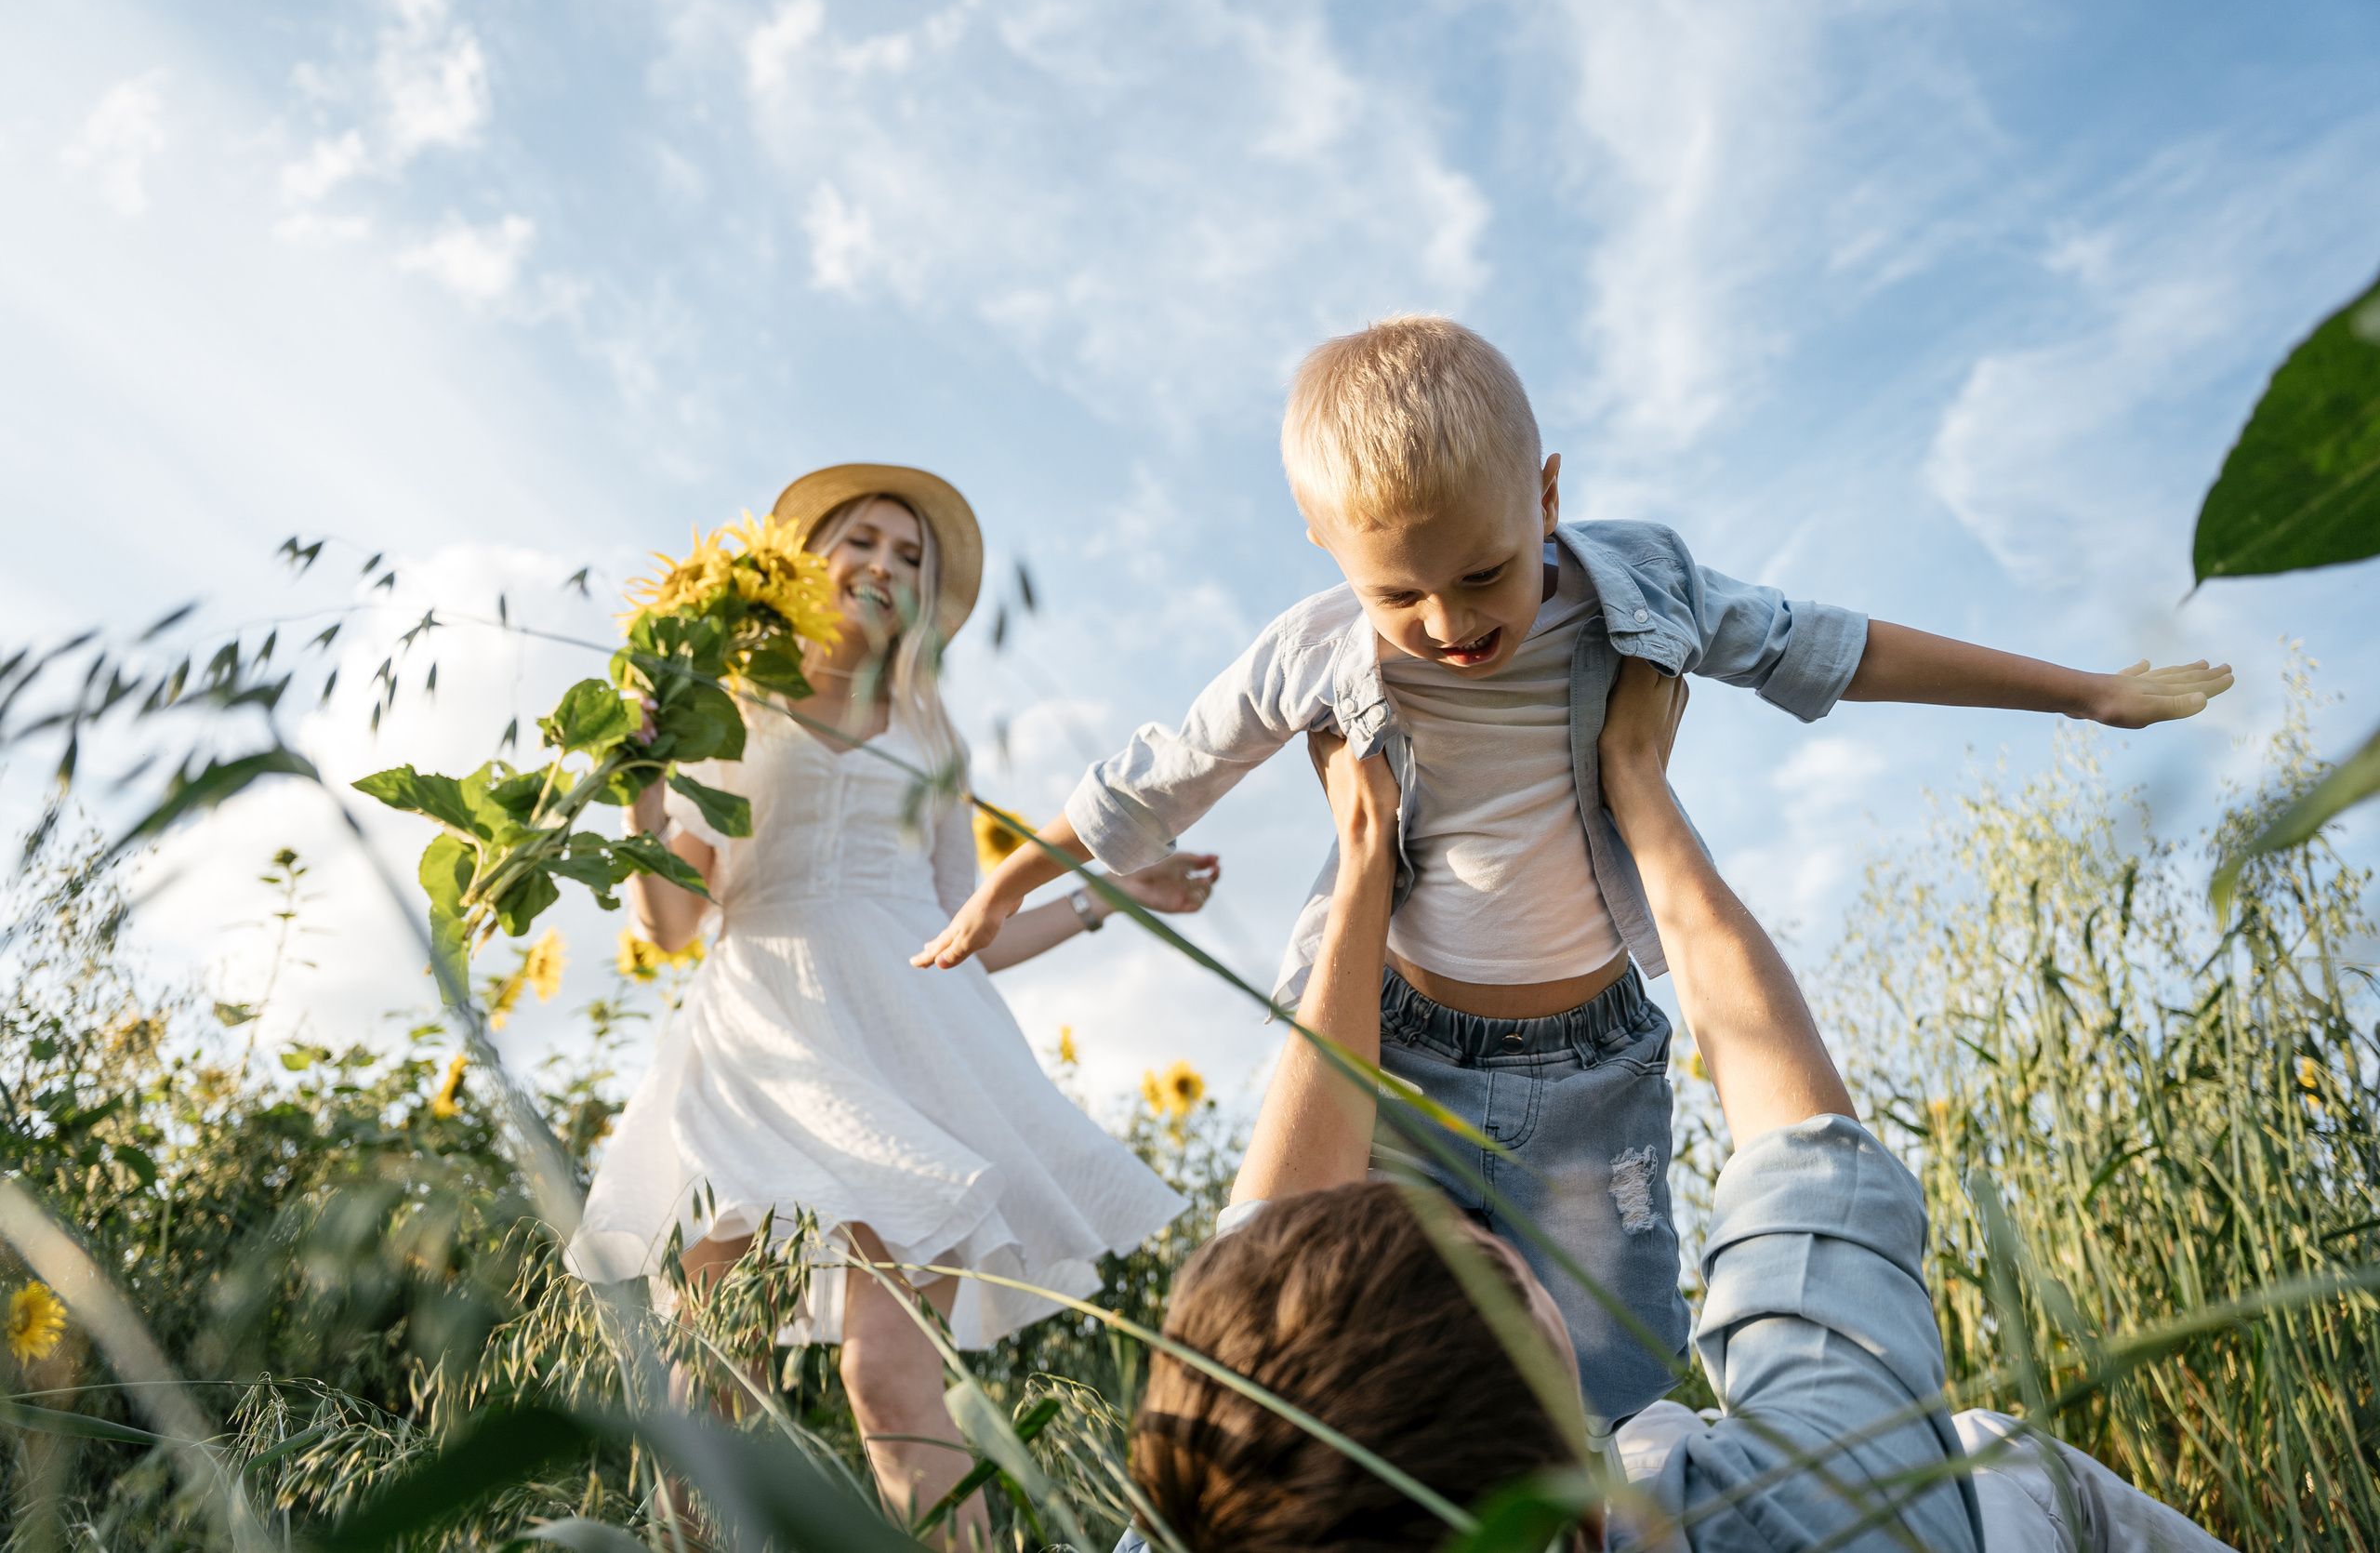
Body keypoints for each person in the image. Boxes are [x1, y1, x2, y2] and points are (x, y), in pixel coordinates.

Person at [918, 315, 2234, 1424]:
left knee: (1612, 1391)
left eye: (1484, 573)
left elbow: (1834, 644)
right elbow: (1153, 776)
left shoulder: (1641, 586)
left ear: (1545, 496)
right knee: (1345, 1382)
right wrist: (998, 888)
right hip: (1400, 1062)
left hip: (1591, 1076)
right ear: (1334, 561)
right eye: (1401, 596)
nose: (1449, 623)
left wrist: (2085, 694)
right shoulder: (1312, 651)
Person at [1118, 657, 2232, 1553]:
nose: (1476, 1219)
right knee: (1996, 1461)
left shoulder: (1221, 1505)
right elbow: (1812, 1169)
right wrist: (1640, 787)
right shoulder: (1821, 1516)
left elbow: (1254, 1296)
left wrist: (1367, 863)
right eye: (1503, 1269)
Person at [565, 464, 1217, 1544]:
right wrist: (640, 771)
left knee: (892, 1382)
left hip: (905, 1052)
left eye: (910, 556)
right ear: (805, 561)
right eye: (862, 540)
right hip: (756, 1050)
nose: (884, 565)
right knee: (708, 1387)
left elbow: (966, 933)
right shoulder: (725, 704)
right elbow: (673, 924)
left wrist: (1106, 899)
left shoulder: (932, 737)